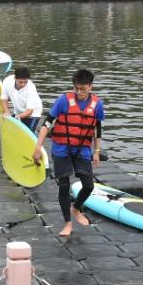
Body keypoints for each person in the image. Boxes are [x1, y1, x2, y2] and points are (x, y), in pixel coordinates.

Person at [32, 68, 104, 237]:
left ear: (90, 87)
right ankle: (67, 224)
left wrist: (97, 151)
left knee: (88, 185)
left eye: (83, 89)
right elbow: (47, 123)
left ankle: (76, 207)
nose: (79, 92)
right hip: (61, 148)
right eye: (76, 88)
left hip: (82, 149)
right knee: (64, 185)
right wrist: (38, 147)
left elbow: (97, 129)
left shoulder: (97, 104)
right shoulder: (63, 100)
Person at [0, 67, 43, 133]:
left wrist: (17, 117)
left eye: (25, 82)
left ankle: (36, 134)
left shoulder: (31, 88)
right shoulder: (7, 81)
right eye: (20, 82)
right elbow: (4, 98)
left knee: (28, 134)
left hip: (33, 113)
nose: (23, 84)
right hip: (17, 111)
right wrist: (6, 112)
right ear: (15, 78)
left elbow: (29, 111)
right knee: (13, 132)